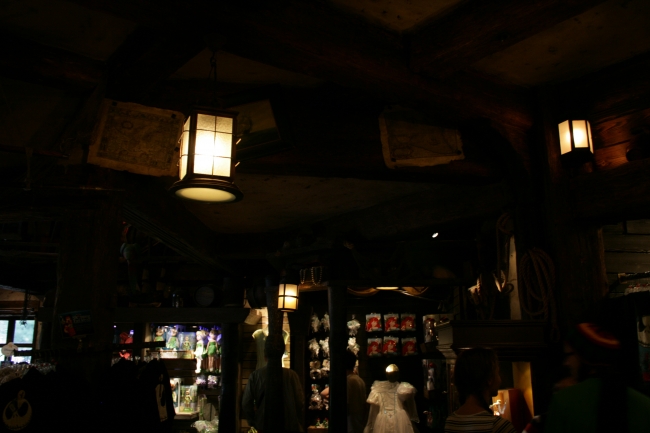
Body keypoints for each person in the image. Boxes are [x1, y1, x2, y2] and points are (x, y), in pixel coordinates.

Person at [544, 322, 650, 433]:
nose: (566, 363)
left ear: (585, 357)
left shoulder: (563, 402)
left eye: (569, 355)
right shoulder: (645, 404)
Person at [444, 347, 516, 433]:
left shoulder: (450, 421)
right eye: (497, 372)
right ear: (489, 379)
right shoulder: (498, 426)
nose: (500, 379)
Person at [242, 347, 304, 433]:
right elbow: (299, 401)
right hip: (288, 423)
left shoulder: (255, 375)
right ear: (281, 356)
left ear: (265, 357)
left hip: (263, 423)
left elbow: (246, 402)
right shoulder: (291, 375)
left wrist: (253, 421)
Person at [321, 349, 368, 433]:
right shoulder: (359, 380)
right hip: (359, 424)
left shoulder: (347, 381)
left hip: (349, 424)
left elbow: (323, 393)